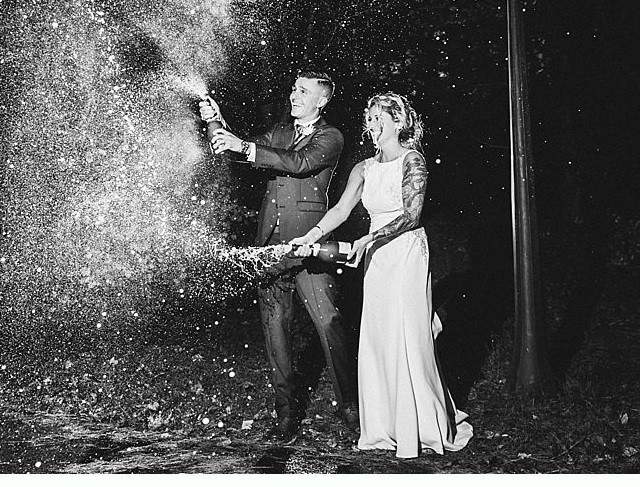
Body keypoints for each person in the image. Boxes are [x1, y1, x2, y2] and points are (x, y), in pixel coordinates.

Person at [290, 92, 472, 458]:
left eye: (378, 118)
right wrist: (310, 237)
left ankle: (420, 426)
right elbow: (340, 210)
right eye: (369, 118)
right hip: (376, 258)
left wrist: (369, 238)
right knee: (379, 336)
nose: (371, 125)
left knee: (407, 336)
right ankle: (384, 427)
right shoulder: (363, 168)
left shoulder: (412, 160)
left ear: (398, 122)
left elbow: (411, 215)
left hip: (406, 254)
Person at [201, 71, 358, 442]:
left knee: (329, 324)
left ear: (322, 100)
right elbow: (231, 150)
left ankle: (351, 410)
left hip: (309, 246)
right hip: (270, 246)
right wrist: (215, 121)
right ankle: (286, 416)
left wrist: (244, 146)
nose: (294, 95)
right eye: (293, 89)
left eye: (303, 91)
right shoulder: (278, 131)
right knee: (275, 330)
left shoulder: (331, 136)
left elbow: (298, 163)